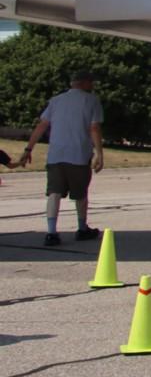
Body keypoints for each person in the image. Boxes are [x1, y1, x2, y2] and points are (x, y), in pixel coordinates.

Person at [20, 70, 106, 245]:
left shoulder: (56, 101)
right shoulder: (91, 101)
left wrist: (29, 149)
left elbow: (42, 125)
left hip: (56, 155)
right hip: (78, 154)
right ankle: (82, 228)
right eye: (91, 82)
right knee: (80, 193)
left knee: (54, 193)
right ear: (84, 83)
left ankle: (51, 232)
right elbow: (94, 128)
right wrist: (99, 153)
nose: (93, 86)